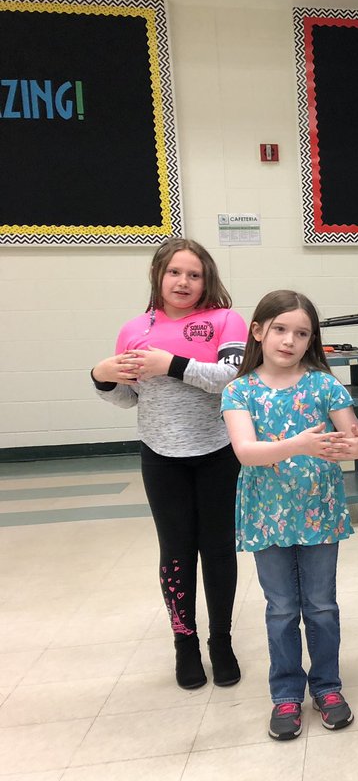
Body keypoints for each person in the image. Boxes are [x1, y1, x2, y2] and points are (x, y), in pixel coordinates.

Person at [221, 290, 358, 740]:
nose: (290, 341)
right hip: (266, 514)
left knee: (322, 605)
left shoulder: (324, 386)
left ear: (312, 340)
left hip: (318, 512)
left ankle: (327, 686)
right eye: (281, 330)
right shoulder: (239, 390)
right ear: (258, 331)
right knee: (282, 608)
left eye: (302, 333)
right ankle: (286, 693)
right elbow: (246, 451)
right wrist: (300, 445)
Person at [91, 238, 246, 691]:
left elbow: (233, 380)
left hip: (217, 452)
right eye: (175, 272)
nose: (183, 282)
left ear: (207, 279)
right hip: (161, 457)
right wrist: (101, 378)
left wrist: (172, 364)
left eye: (194, 274)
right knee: (175, 552)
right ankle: (185, 643)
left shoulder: (225, 320)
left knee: (218, 549)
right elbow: (128, 398)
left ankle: (221, 642)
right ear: (158, 275)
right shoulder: (133, 329)